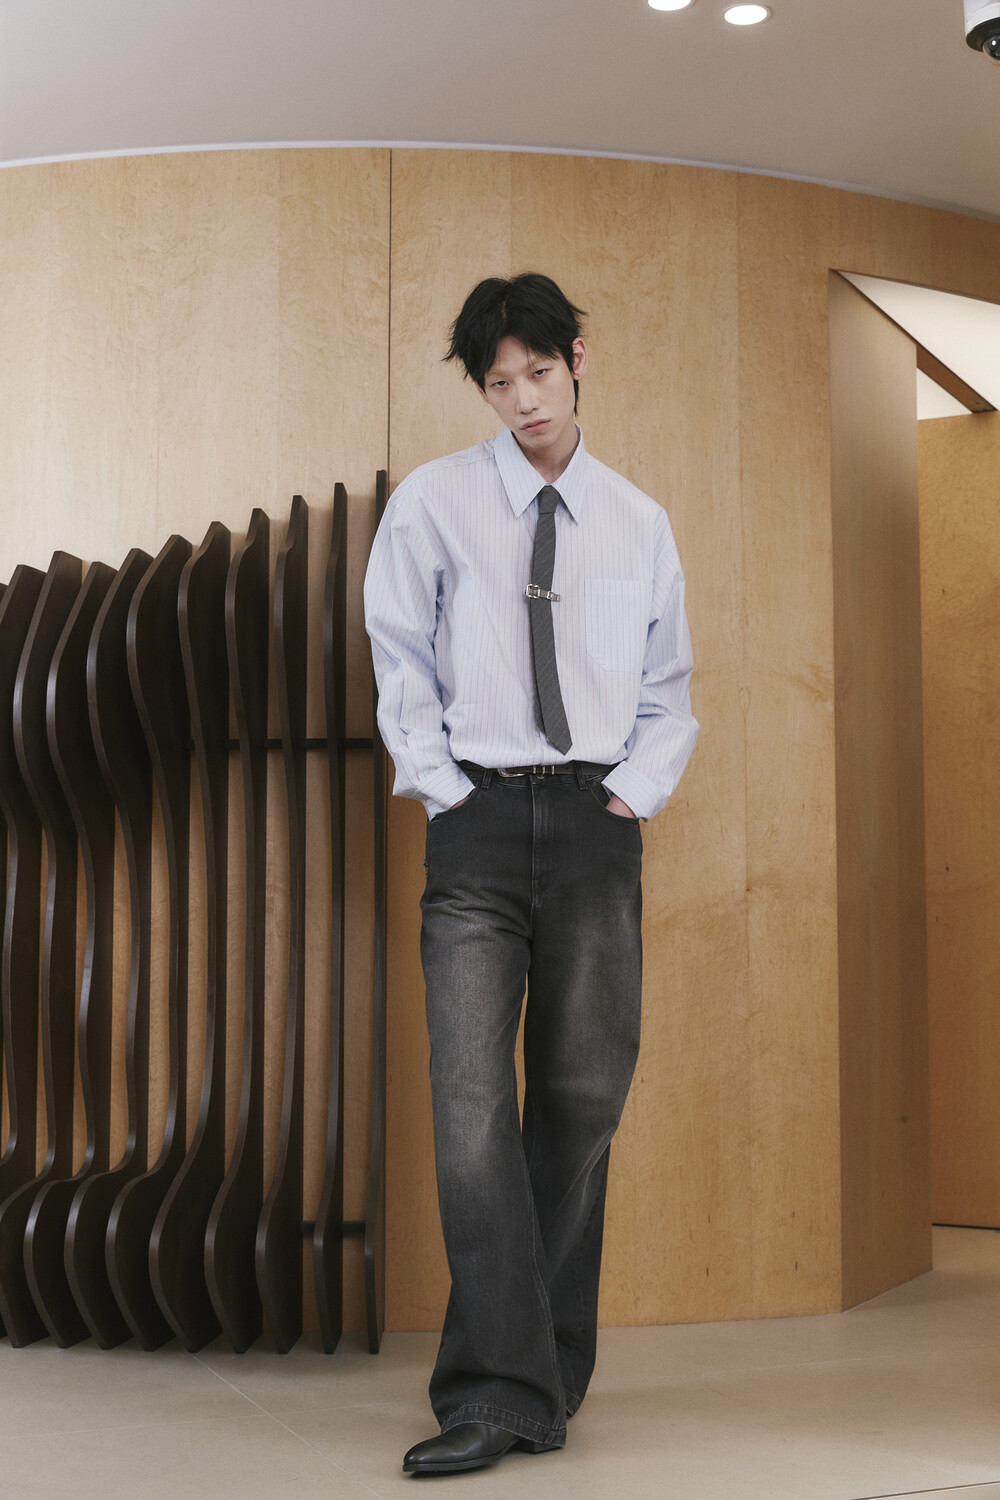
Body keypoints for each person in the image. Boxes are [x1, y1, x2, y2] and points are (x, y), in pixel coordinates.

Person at [364, 272, 699, 1477]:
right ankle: (498, 1389)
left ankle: (537, 1369)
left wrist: (630, 794)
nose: (523, 400)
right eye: (499, 382)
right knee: (471, 1113)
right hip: (478, 825)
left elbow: (667, 688)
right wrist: (443, 787)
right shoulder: (434, 502)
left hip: (596, 822)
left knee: (582, 1097)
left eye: (539, 374)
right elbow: (399, 656)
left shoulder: (637, 521)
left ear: (576, 363)